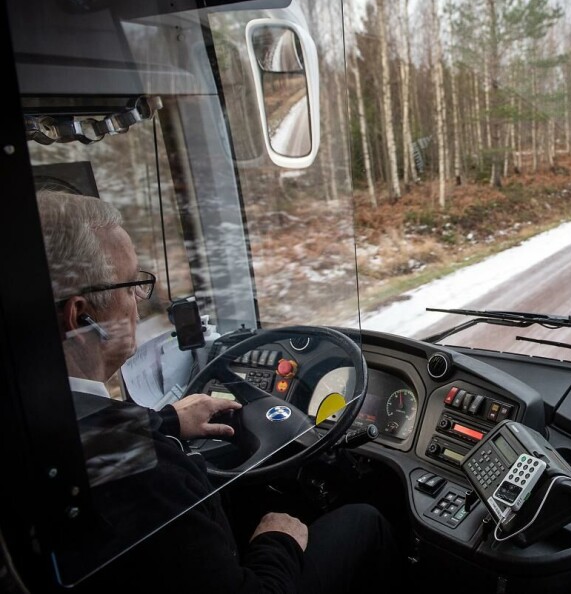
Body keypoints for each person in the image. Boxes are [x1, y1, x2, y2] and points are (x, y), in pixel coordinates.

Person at [36, 189, 398, 593]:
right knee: (365, 521)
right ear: (81, 317)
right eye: (132, 285)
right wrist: (277, 542)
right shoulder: (148, 476)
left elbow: (99, 436)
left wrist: (167, 421)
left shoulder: (45, 421)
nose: (138, 303)